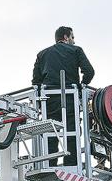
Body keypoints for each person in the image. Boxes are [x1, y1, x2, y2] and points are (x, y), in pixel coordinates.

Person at [32, 26, 95, 166]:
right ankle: (71, 165)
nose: (73, 40)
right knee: (71, 132)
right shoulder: (76, 50)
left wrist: (38, 104)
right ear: (66, 37)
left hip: (48, 100)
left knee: (51, 132)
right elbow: (89, 71)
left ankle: (50, 165)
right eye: (72, 37)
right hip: (69, 98)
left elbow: (36, 83)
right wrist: (81, 87)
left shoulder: (42, 54)